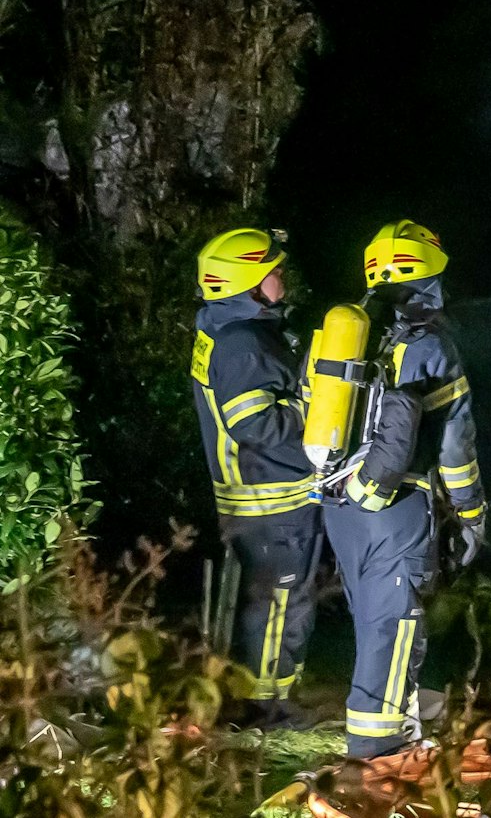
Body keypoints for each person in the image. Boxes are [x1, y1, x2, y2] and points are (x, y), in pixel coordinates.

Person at [321, 219, 486, 761]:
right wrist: (470, 511)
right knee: (393, 627)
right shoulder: (432, 345)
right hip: (395, 506)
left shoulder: (350, 331)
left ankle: (394, 727)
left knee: (374, 624)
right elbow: (455, 445)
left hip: (341, 503)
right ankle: (380, 747)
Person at [191, 227, 320, 728]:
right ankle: (267, 709)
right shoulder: (242, 343)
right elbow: (255, 424)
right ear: (247, 284)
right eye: (273, 270)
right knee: (281, 603)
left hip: (257, 495)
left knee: (274, 601)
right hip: (269, 497)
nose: (282, 276)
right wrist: (313, 410)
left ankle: (266, 699)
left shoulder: (230, 329)